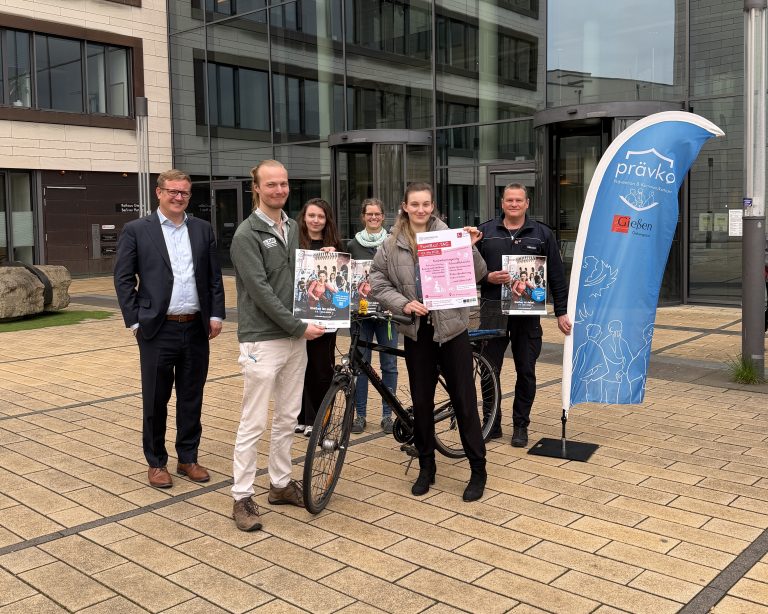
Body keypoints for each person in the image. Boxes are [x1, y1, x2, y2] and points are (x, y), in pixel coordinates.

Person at [370, 182, 488, 502]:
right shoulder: (392, 243)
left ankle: (478, 469)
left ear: (432, 206)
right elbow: (377, 280)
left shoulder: (450, 236)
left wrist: (471, 247)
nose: (421, 209)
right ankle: (427, 466)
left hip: (452, 331)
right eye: (415, 204)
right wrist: (402, 303)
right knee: (421, 403)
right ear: (405, 206)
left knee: (464, 401)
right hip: (417, 331)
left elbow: (478, 273)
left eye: (426, 204)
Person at [114, 169, 225, 489]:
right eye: (173, 192)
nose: (179, 198)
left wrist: (216, 315)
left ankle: (188, 457)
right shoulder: (137, 230)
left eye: (184, 193)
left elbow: (213, 276)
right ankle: (156, 462)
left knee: (192, 396)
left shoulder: (202, 229)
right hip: (156, 329)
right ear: (158, 192)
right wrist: (135, 320)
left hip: (195, 328)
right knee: (155, 398)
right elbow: (123, 278)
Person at [229, 160, 325, 532]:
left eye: (283, 184)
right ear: (257, 187)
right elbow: (261, 292)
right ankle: (241, 495)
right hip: (263, 340)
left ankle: (280, 484)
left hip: (294, 339)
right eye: (271, 185)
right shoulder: (246, 235)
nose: (279, 190)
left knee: (288, 417)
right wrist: (299, 326)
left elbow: (300, 281)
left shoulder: (292, 227)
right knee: (252, 421)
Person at [477, 183, 571, 448]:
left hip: (527, 317)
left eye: (519, 200)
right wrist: (487, 277)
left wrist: (561, 312)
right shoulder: (485, 232)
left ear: (527, 203)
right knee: (488, 371)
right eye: (509, 200)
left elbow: (555, 276)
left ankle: (521, 425)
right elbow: (468, 270)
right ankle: (491, 422)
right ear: (502, 203)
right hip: (492, 312)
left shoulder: (542, 234)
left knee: (526, 371)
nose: (514, 204)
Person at [347, 198, 399, 435]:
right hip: (361, 315)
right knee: (360, 365)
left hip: (387, 314)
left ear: (383, 216)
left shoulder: (394, 243)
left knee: (389, 365)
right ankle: (360, 415)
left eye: (377, 214)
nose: (374, 218)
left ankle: (388, 415)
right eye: (370, 214)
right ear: (363, 217)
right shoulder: (352, 245)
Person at [295, 198, 344, 437]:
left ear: (327, 220)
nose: (315, 220)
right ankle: (302, 417)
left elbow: (344, 283)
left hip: (326, 318)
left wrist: (336, 257)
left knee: (321, 368)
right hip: (299, 317)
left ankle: (320, 418)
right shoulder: (293, 243)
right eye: (311, 215)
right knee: (299, 367)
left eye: (321, 216)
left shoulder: (335, 245)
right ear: (304, 218)